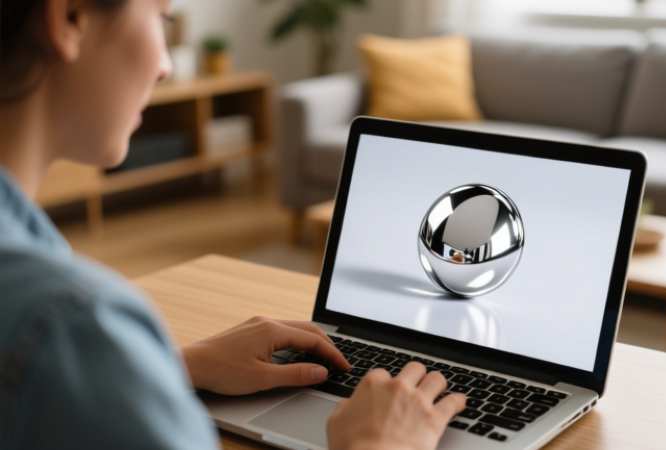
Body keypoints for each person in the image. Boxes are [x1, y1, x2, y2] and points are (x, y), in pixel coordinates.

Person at [0, 1, 466, 449]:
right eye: (160, 18)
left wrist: (168, 367)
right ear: (68, 17)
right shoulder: (69, 321)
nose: (164, 65)